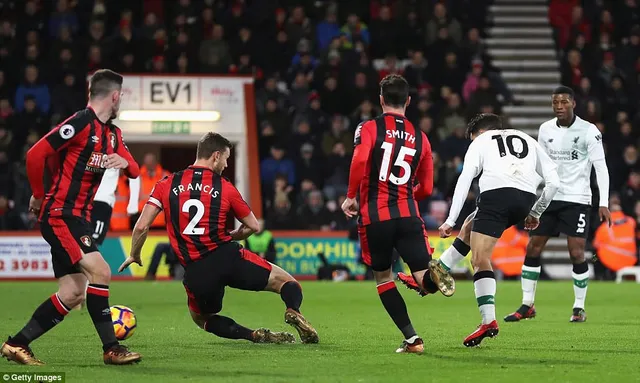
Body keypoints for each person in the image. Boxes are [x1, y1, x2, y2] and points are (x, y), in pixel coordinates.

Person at [119, 132, 319, 345]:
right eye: (226, 158)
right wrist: (234, 236)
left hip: (197, 271)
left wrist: (134, 254)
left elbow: (141, 226)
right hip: (228, 257)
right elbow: (253, 225)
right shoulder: (224, 186)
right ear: (216, 156)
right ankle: (292, 310)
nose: (225, 164)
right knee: (287, 282)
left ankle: (252, 335)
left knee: (202, 319)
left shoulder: (166, 183)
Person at [1, 69, 142, 365]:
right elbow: (35, 155)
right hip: (60, 214)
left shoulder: (112, 135)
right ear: (114, 96)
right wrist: (39, 194)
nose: (122, 102)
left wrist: (123, 162)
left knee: (73, 292)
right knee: (101, 271)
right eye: (122, 97)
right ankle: (112, 349)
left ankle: (16, 344)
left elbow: (135, 170)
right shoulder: (80, 123)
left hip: (79, 217)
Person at [341, 74, 454, 354]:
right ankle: (431, 276)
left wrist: (352, 195)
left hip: (375, 215)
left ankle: (413, 339)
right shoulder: (422, 137)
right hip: (408, 215)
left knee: (383, 277)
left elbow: (360, 159)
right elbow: (426, 187)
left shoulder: (368, 128)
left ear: (380, 100)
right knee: (421, 279)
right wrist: (403, 195)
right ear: (409, 101)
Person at [437, 113, 560, 347]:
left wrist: (449, 220)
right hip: (524, 200)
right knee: (471, 225)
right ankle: (440, 269)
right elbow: (554, 183)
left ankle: (488, 321)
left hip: (495, 195)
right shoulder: (528, 139)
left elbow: (465, 178)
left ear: (481, 133)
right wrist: (535, 212)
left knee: (480, 259)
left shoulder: (482, 141)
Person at [504, 86, 611, 323]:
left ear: (573, 103)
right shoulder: (545, 129)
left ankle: (579, 307)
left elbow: (600, 167)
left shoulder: (588, 131)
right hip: (550, 198)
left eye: (563, 102)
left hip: (577, 199)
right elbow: (541, 166)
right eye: (555, 103)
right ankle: (526, 305)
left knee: (576, 253)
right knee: (532, 248)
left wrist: (603, 201)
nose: (559, 107)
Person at [92, 169, 140, 245]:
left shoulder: (125, 181)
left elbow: (135, 174)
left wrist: (132, 207)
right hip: (100, 210)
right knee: (91, 242)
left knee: (93, 242)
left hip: (123, 226)